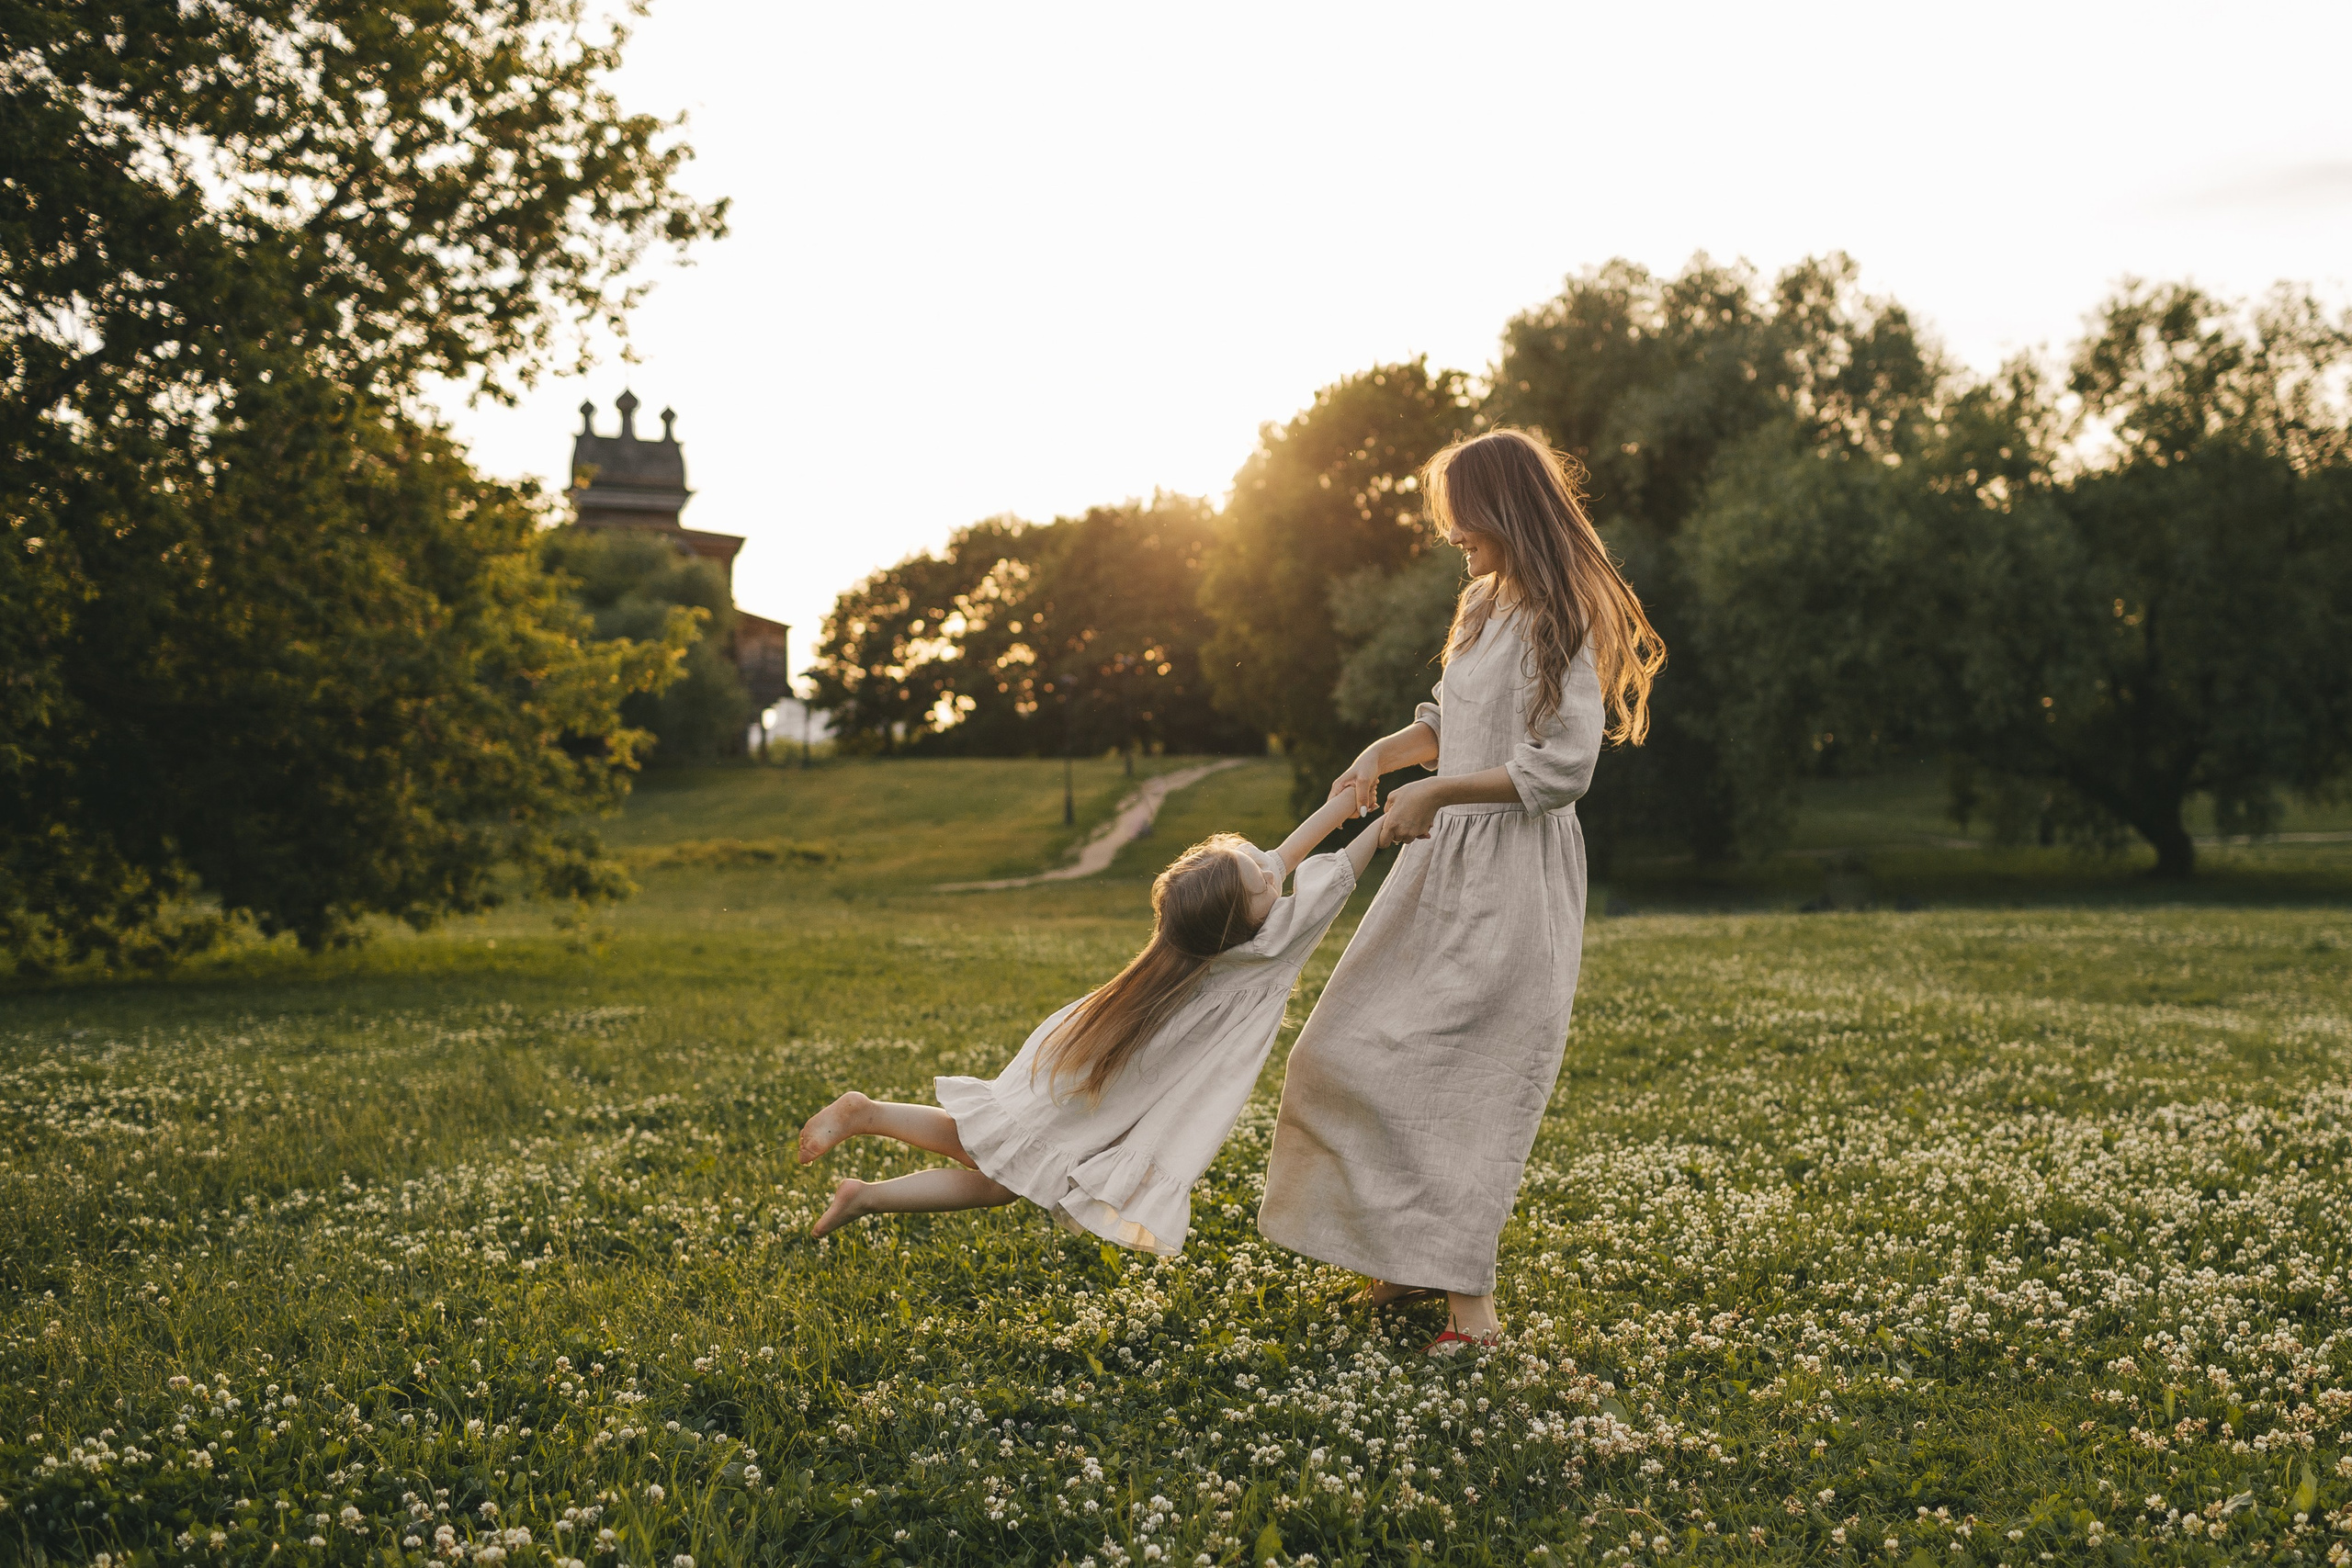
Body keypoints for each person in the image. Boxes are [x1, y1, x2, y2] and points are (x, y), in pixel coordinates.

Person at [1257, 426, 1664, 1353]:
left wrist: (1438, 792)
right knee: (1342, 1050)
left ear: (1506, 510)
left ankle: (1468, 1310)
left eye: (1463, 518)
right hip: (1441, 865)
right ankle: (1404, 1254)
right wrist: (1389, 754)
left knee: (1469, 1083)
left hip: (1514, 872)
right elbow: (1463, 722)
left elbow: (1560, 767)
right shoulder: (1482, 603)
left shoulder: (1566, 612)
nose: (1452, 536)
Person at [797, 789, 1385, 1251]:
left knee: (996, 1163)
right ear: (1242, 921)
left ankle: (865, 1165)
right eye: (1260, 885)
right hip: (1119, 1082)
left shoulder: (1198, 937)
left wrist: (1346, 801)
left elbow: (1281, 859)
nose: (1269, 877)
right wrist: (1381, 828)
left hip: (1098, 1057)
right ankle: (866, 1144)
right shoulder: (1265, 948)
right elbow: (1331, 881)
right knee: (999, 1173)